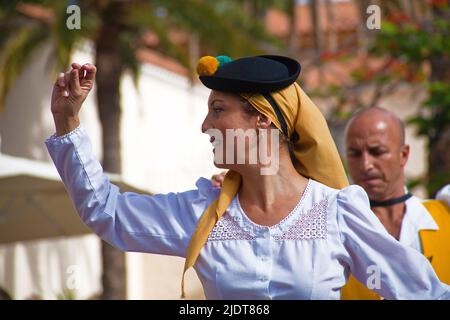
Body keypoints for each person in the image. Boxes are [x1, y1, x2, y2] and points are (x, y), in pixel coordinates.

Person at [45, 56, 450, 299]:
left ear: (262, 118)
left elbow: (422, 292)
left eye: (218, 110)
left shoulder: (338, 212)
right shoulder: (202, 213)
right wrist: (68, 122)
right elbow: (107, 211)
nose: (206, 125)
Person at [340, 107, 450, 299]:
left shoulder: (445, 214)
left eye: (377, 151)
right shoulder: (335, 230)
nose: (365, 164)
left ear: (404, 154)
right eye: (355, 153)